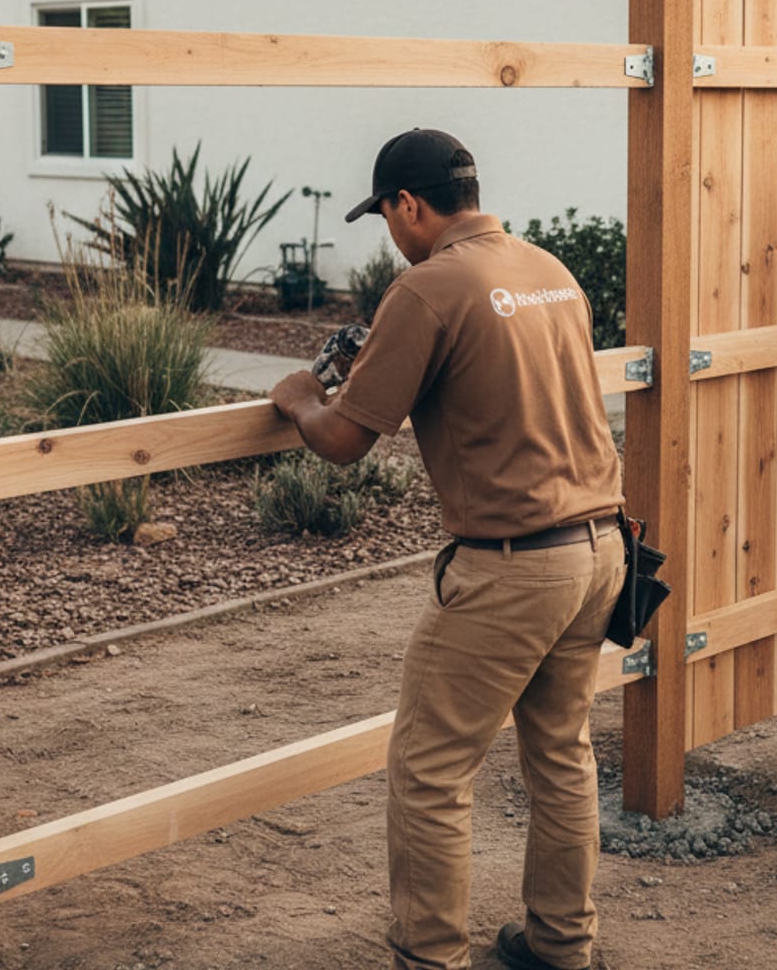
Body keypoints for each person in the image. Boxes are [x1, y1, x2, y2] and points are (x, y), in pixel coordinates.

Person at [268, 128, 625, 970]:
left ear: (409, 205)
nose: (389, 234)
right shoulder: (549, 272)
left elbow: (348, 439)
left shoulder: (428, 290)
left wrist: (300, 399)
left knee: (429, 770)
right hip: (600, 547)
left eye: (386, 216)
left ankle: (429, 958)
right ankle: (562, 944)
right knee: (562, 752)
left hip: (514, 566)